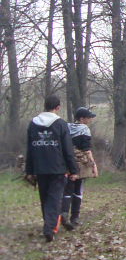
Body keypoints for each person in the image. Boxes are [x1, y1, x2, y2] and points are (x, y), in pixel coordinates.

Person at [25, 94, 79, 242]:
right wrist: (74, 170)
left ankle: (48, 225)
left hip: (40, 168)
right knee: (54, 199)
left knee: (45, 198)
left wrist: (29, 170)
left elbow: (29, 149)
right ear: (58, 107)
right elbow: (68, 150)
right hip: (57, 168)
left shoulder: (33, 124)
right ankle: (49, 229)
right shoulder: (61, 124)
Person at [61, 107, 100, 230]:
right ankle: (75, 218)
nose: (90, 120)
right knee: (78, 190)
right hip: (81, 163)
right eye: (88, 117)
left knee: (67, 188)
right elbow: (87, 150)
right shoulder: (84, 129)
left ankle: (64, 213)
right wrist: (93, 165)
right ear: (82, 118)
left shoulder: (66, 127)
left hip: (67, 162)